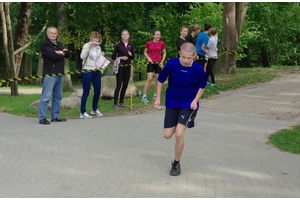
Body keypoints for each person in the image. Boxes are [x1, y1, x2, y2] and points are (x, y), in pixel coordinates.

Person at [153, 42, 207, 176]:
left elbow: (202, 85)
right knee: (167, 135)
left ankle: (176, 164)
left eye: (189, 58)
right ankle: (180, 124)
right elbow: (160, 80)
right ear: (180, 54)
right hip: (172, 101)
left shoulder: (198, 69)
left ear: (194, 55)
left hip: (188, 103)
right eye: (184, 57)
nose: (186, 60)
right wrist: (158, 98)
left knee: (178, 134)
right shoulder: (171, 64)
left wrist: (195, 100)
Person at [38, 26, 70, 125]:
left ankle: (55, 116)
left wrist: (61, 52)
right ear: (47, 34)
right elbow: (53, 56)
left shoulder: (58, 44)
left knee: (58, 96)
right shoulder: (45, 44)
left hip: (59, 73)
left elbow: (68, 54)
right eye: (51, 33)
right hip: (50, 74)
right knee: (46, 96)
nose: (53, 35)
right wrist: (62, 52)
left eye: (55, 33)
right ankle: (42, 117)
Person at [79, 31, 104, 119]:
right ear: (91, 38)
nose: (95, 39)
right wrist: (89, 47)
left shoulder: (98, 47)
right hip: (87, 70)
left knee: (97, 91)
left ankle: (94, 109)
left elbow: (97, 58)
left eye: (97, 38)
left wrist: (102, 55)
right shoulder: (86, 45)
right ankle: (82, 112)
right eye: (94, 38)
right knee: (86, 92)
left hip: (96, 70)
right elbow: (82, 56)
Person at [111, 30, 135, 111]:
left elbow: (133, 57)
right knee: (119, 85)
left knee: (125, 85)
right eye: (123, 34)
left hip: (127, 67)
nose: (125, 36)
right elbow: (113, 56)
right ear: (121, 36)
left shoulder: (131, 45)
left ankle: (121, 102)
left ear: (128, 36)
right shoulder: (118, 45)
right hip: (120, 67)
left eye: (126, 34)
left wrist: (131, 55)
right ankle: (115, 104)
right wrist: (120, 58)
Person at [142, 30, 167, 104]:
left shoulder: (162, 43)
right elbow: (145, 52)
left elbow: (164, 52)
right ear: (153, 36)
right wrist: (148, 58)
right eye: (157, 35)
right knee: (149, 79)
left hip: (158, 63)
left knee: (157, 80)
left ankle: (155, 95)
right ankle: (144, 96)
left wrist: (162, 61)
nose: (158, 36)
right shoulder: (148, 43)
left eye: (159, 35)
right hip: (150, 62)